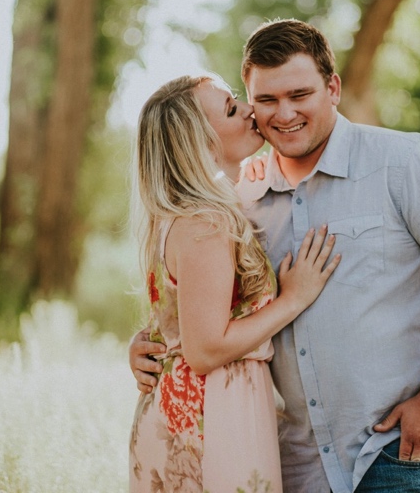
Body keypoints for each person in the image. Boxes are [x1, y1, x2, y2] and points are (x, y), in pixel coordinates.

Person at [130, 19, 420, 493]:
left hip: (398, 452)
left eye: (299, 95)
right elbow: (206, 301)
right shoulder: (240, 200)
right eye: (265, 100)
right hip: (295, 464)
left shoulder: (403, 162)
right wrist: (150, 345)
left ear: (333, 87)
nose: (283, 114)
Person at [128, 74, 342, 493]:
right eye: (230, 108)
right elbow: (205, 349)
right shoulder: (204, 223)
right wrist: (293, 299)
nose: (249, 110)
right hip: (212, 417)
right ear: (201, 142)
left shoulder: (198, 211)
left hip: (212, 405)